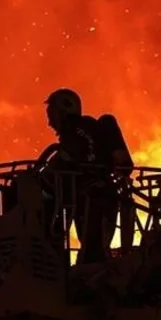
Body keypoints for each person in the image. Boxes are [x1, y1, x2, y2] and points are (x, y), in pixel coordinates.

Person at [43, 88, 118, 265]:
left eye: (51, 115)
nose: (49, 122)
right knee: (93, 253)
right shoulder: (87, 129)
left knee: (93, 258)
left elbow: (67, 160)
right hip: (96, 198)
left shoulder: (76, 132)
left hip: (92, 199)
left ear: (63, 112)